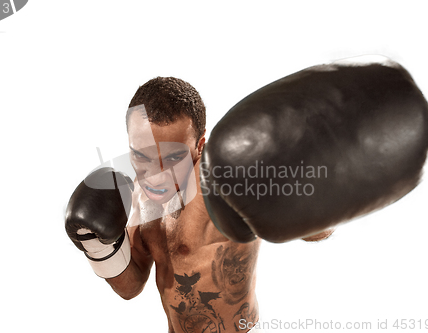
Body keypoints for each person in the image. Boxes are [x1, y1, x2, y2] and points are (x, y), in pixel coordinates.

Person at [65, 77, 334, 333]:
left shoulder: (222, 184)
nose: (155, 174)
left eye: (171, 159)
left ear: (199, 146)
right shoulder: (138, 196)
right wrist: (99, 249)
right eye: (140, 156)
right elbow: (131, 287)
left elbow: (318, 231)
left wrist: (311, 196)